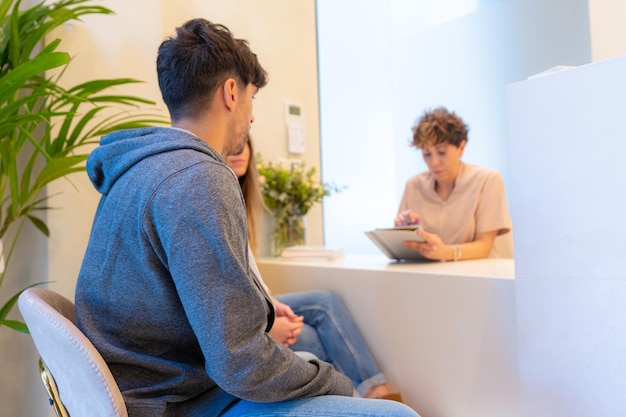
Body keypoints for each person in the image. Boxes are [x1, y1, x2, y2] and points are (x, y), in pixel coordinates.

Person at [75, 18, 418, 417]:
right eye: (253, 98)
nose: (252, 117)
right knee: (398, 415)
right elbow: (241, 362)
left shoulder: (135, 169)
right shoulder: (199, 178)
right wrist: (337, 383)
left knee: (305, 358)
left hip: (143, 389)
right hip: (175, 403)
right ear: (232, 92)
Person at [227, 137, 401, 401]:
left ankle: (376, 394)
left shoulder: (241, 195)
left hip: (252, 306)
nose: (240, 151)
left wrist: (270, 303)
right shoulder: (217, 195)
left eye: (245, 144)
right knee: (320, 339)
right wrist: (265, 324)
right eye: (233, 145)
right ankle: (367, 401)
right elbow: (226, 289)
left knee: (326, 302)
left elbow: (246, 276)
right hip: (241, 318)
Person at [394, 106, 513, 260]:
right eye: (427, 154)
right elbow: (404, 248)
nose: (434, 162)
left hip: (480, 276)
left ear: (461, 147)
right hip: (434, 277)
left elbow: (485, 245)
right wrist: (403, 232)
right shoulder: (414, 185)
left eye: (441, 152)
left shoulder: (487, 180)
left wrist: (448, 253)